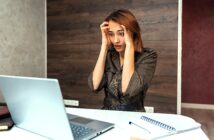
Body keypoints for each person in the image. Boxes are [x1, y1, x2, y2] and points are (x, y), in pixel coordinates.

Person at [88, 9, 157, 111]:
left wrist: (129, 45)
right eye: (111, 34)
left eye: (121, 33)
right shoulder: (109, 55)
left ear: (132, 32)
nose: (116, 40)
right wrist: (104, 46)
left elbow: (127, 89)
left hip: (133, 117)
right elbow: (94, 85)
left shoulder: (148, 56)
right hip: (107, 114)